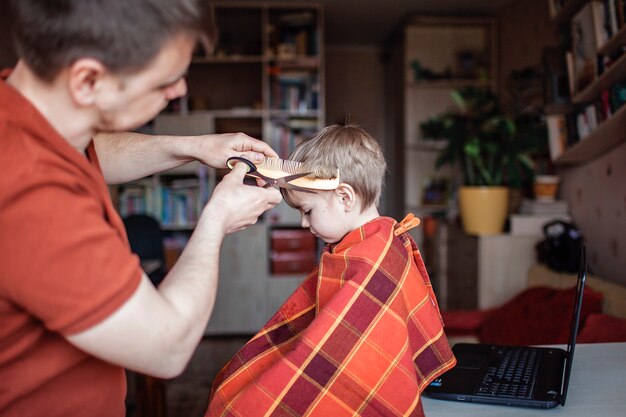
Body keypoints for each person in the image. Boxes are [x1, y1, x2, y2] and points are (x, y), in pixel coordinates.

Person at [0, 1, 281, 416]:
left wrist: (192, 147)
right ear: (88, 80)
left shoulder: (23, 104)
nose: (180, 91)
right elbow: (165, 347)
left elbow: (92, 148)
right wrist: (216, 218)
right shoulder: (29, 192)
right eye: (164, 82)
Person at [206, 125, 456, 416]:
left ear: (344, 198)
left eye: (307, 210)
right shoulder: (386, 238)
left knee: (239, 404)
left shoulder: (369, 265)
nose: (302, 224)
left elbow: (332, 354)